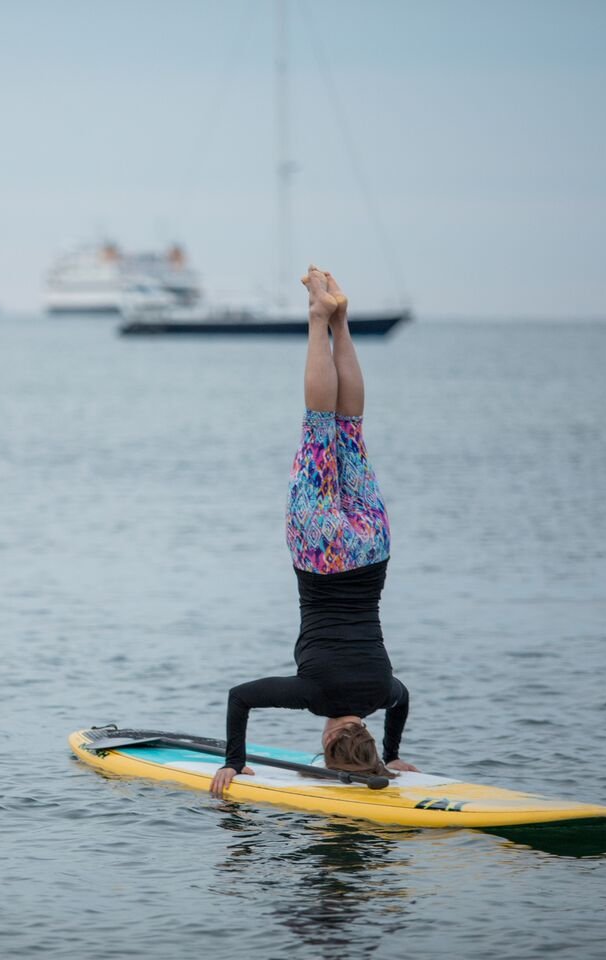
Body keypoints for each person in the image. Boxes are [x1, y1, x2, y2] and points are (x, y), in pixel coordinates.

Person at [210, 265, 418, 799]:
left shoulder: (379, 693)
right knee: (318, 424)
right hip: (321, 553)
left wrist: (394, 754)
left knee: (349, 428)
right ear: (329, 743)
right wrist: (235, 763)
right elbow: (240, 697)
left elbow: (404, 698)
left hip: (372, 550)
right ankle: (318, 319)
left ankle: (341, 320)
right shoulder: (314, 695)